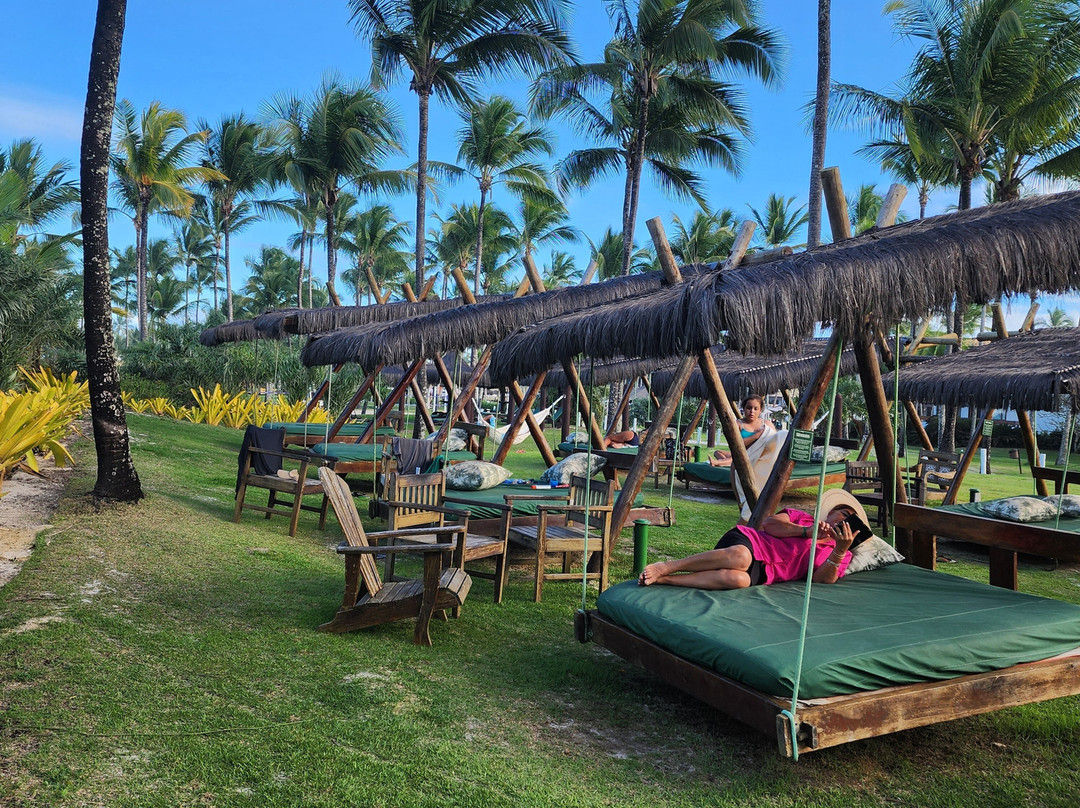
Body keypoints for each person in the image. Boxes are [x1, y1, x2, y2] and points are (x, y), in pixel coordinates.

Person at [638, 489, 870, 589]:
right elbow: (768, 524)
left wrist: (839, 550)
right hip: (751, 542)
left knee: (738, 580)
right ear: (831, 512)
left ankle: (665, 581)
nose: (843, 520)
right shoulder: (803, 518)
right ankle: (667, 566)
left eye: (851, 521)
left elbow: (820, 580)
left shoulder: (842, 552)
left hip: (768, 572)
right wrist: (806, 533)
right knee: (740, 557)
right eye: (843, 513)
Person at [709, 394, 769, 466]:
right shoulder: (738, 424)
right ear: (744, 408)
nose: (752, 411)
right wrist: (757, 435)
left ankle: (719, 462)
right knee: (718, 452)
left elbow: (775, 442)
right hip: (740, 452)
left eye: (756, 409)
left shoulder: (766, 424)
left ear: (760, 411)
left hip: (757, 455)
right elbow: (736, 445)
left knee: (736, 459)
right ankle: (726, 462)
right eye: (749, 408)